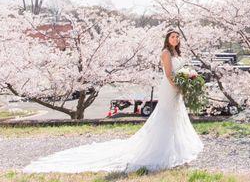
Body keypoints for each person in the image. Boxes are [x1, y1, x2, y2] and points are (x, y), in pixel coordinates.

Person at [24, 29, 204, 173]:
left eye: (177, 37)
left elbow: (182, 71)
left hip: (177, 89)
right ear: (167, 39)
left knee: (176, 116)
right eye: (173, 37)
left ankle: (177, 147)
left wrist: (187, 82)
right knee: (165, 116)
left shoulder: (177, 52)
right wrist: (178, 86)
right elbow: (168, 74)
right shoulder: (165, 52)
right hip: (169, 87)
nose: (175, 39)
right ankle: (160, 150)